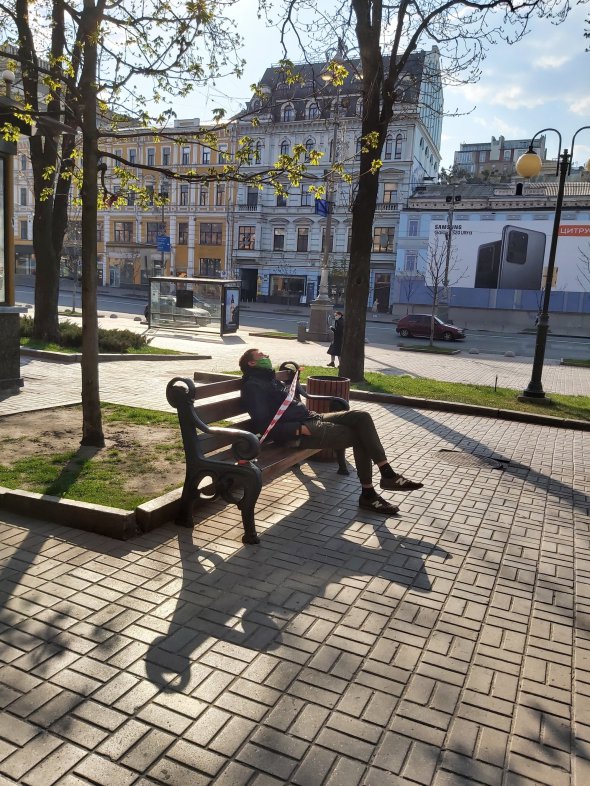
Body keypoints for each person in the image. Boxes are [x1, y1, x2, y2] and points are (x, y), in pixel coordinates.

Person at [239, 348, 424, 515]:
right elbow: (263, 424)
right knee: (360, 436)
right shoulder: (253, 386)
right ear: (251, 363)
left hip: (310, 418)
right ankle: (370, 493)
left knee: (362, 416)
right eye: (262, 355)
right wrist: (297, 429)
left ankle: (386, 473)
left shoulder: (268, 379)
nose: (267, 356)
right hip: (298, 431)